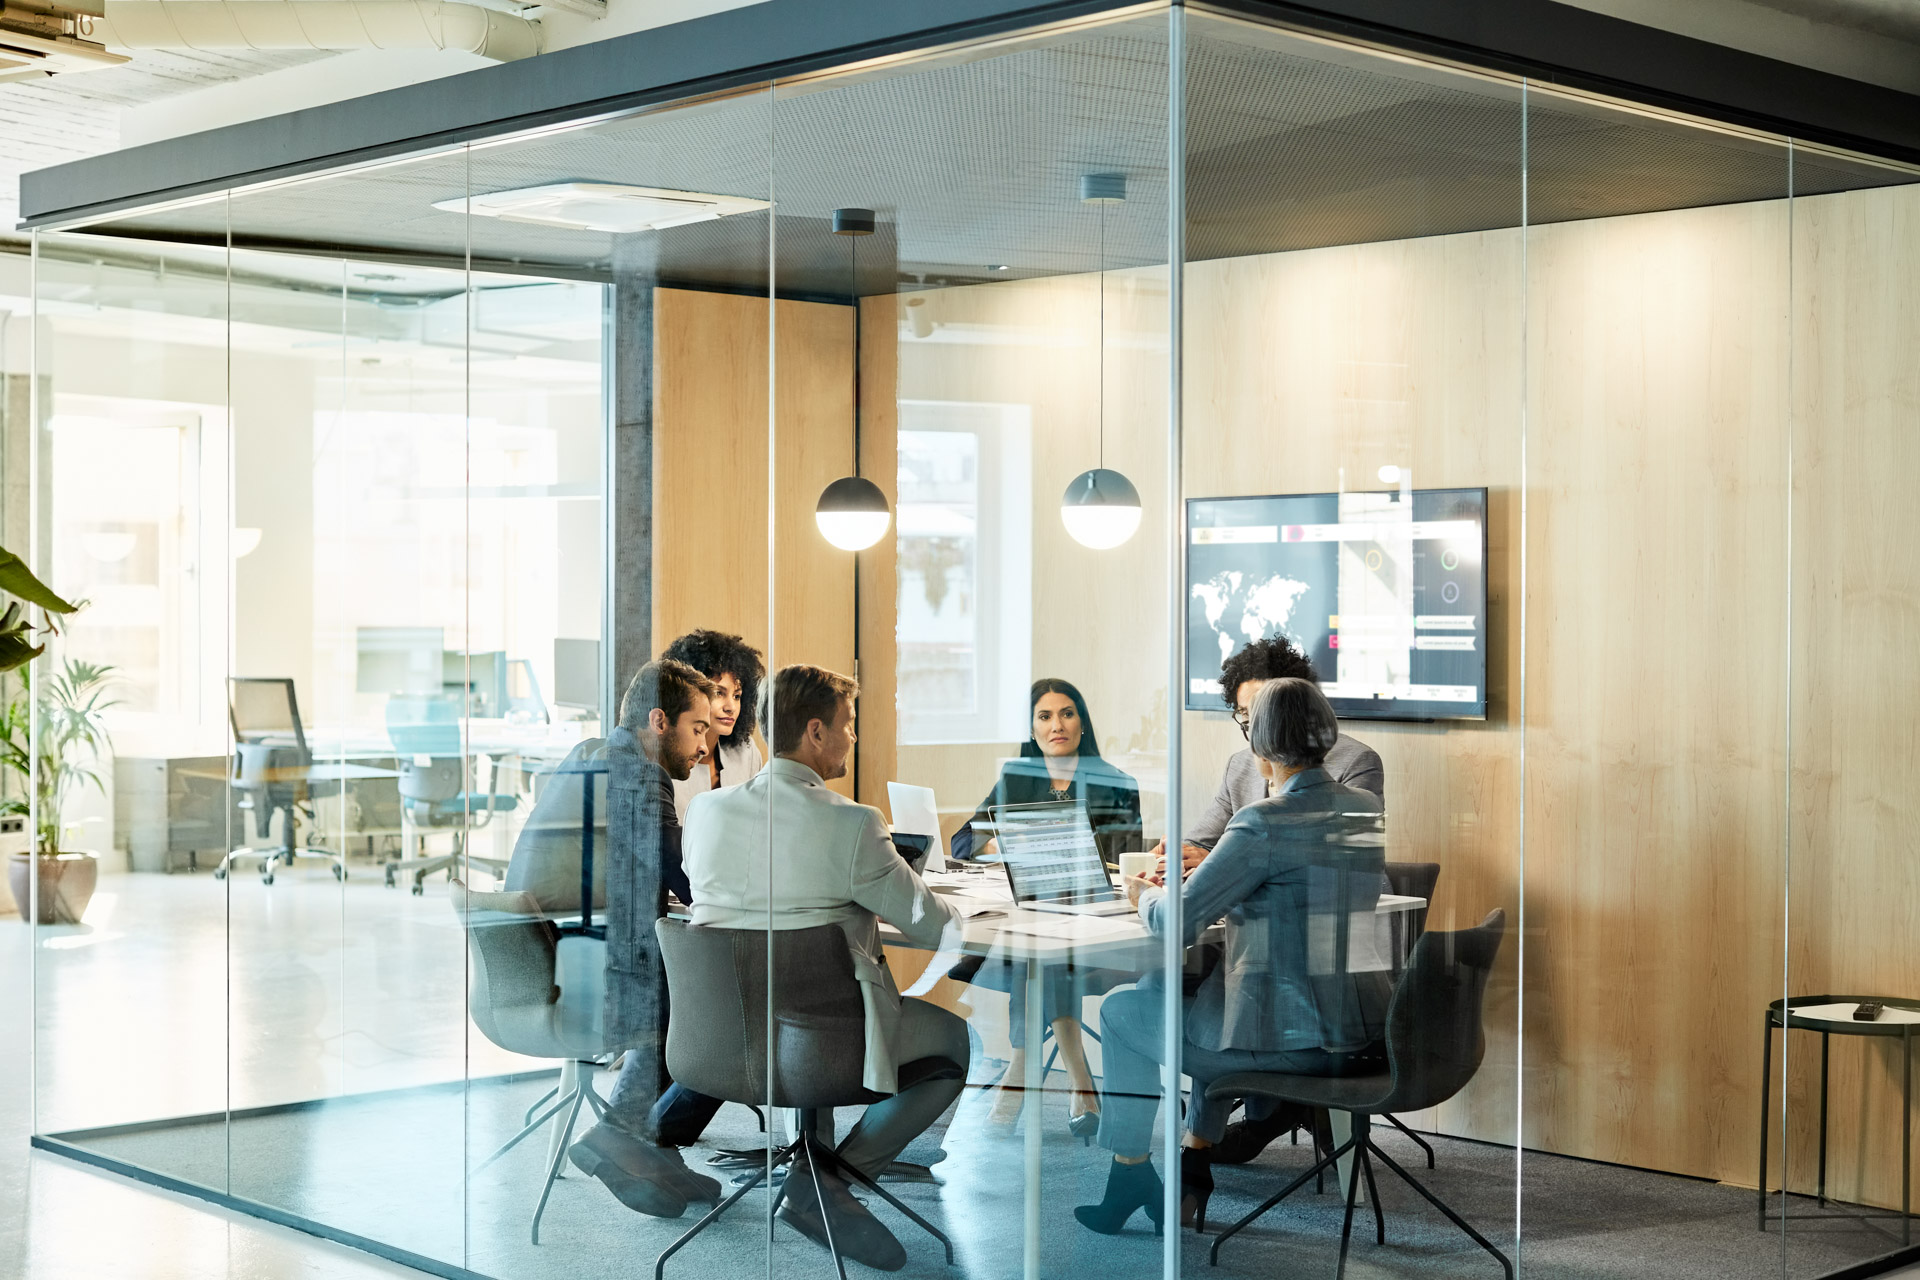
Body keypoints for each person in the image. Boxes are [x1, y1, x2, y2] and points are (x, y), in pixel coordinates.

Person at [1075, 678, 1390, 1238]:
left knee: (1121, 1013)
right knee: (1187, 997)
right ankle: (1191, 1171)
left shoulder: (1262, 823)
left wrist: (1139, 893)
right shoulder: (1364, 808)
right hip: (1360, 1031)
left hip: (1288, 1043)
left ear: (1260, 746)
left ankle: (1130, 1172)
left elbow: (1176, 920)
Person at [683, 664, 970, 1272]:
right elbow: (934, 926)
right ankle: (833, 1182)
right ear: (816, 732)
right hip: (821, 1044)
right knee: (951, 1039)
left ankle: (823, 1178)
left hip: (718, 1042)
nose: (853, 738)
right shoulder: (853, 822)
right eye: (850, 726)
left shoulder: (705, 813)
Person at [1150, 636, 1384, 1162]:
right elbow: (1204, 843)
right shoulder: (1354, 803)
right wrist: (1210, 860)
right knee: (1197, 982)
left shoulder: (1354, 769)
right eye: (1242, 714)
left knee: (1136, 1006)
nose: (1250, 727)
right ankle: (1203, 1145)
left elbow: (1183, 913)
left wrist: (1152, 891)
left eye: (1258, 716)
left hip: (1301, 1000)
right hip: (1353, 1017)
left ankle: (1169, 1168)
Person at [566, 659, 730, 1219]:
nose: (705, 746)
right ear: (660, 721)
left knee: (707, 991)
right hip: (609, 963)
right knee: (725, 1008)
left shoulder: (602, 754)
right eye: (699, 728)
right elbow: (674, 863)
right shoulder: (639, 771)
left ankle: (648, 1150)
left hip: (575, 951)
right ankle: (624, 1136)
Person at [948, 678, 1140, 1134]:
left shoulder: (1114, 782)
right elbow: (962, 841)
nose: (1057, 724)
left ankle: (1018, 1072)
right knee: (1040, 951)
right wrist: (1000, 844)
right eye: (1045, 716)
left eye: (1067, 713)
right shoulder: (1018, 776)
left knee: (1041, 954)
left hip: (1097, 933)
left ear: (1082, 721)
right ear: (1032, 727)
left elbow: (1122, 865)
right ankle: (1081, 1081)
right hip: (1034, 927)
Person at [660, 629, 765, 825]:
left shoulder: (747, 752)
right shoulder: (665, 757)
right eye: (719, 693)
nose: (731, 707)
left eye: (737, 696)